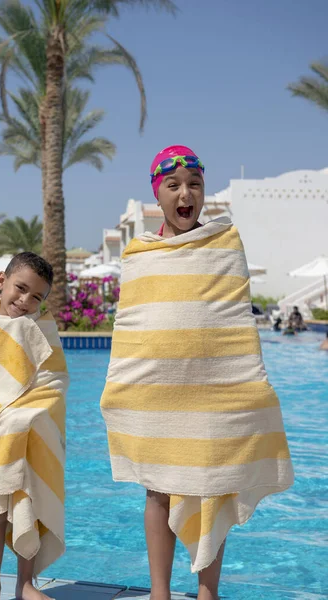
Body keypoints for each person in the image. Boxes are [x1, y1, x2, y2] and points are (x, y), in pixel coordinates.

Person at [100, 146, 294, 600]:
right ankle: (159, 593)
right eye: (173, 185)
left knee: (214, 488)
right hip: (156, 394)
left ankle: (209, 593)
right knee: (157, 492)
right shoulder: (139, 254)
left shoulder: (225, 244)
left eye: (194, 184)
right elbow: (133, 326)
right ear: (157, 195)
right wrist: (123, 387)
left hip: (212, 391)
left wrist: (247, 382)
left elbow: (232, 324)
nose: (185, 193)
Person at [0, 252, 69, 600]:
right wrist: (4, 419)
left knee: (31, 503)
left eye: (36, 296)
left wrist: (28, 416)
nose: (25, 301)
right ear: (1, 281)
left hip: (32, 428)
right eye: (20, 289)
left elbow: (54, 382)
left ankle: (26, 585)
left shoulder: (43, 327)